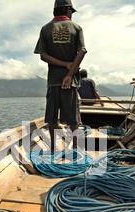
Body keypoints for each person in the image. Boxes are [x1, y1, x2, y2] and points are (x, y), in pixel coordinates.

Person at [34, 0, 87, 152]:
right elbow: (82, 51)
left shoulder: (45, 29)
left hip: (53, 82)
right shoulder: (76, 28)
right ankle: (75, 150)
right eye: (71, 11)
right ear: (68, 10)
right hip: (70, 83)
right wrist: (69, 73)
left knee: (51, 119)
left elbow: (43, 55)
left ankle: (52, 149)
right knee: (73, 120)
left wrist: (63, 65)